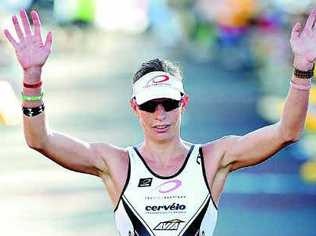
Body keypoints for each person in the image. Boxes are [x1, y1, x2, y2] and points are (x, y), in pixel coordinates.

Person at [3, 8, 315, 236]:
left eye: (169, 103)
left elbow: (287, 132)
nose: (160, 114)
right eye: (151, 105)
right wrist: (32, 79)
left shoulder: (213, 158)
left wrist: (302, 70)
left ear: (184, 103)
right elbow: (40, 140)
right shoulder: (115, 163)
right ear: (134, 108)